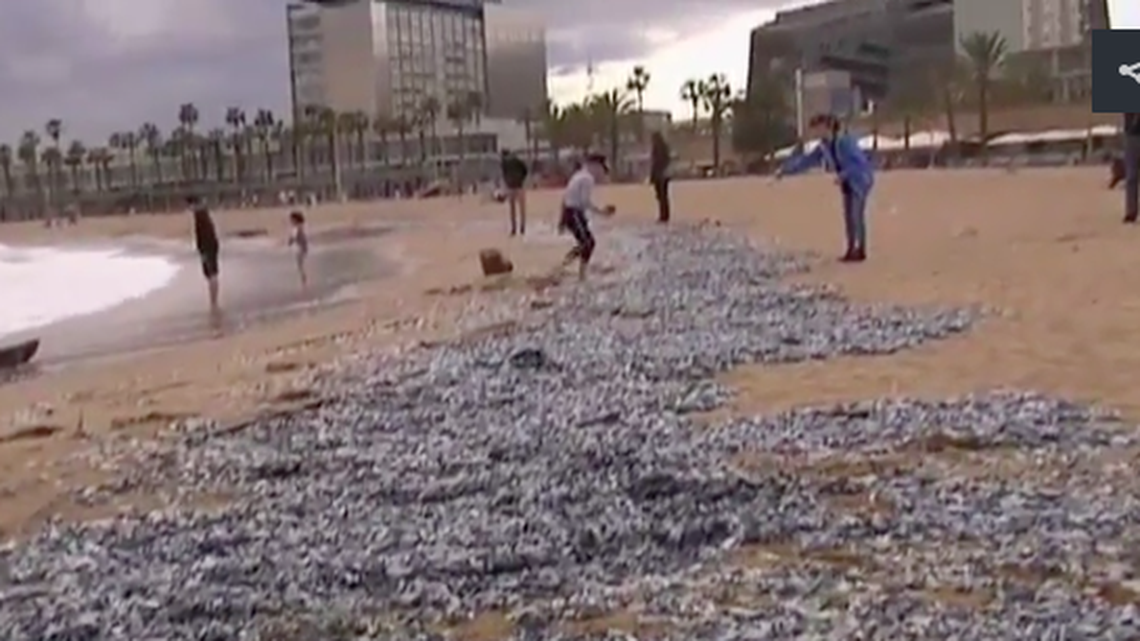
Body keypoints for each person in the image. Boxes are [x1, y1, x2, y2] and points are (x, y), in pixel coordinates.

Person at [774, 113, 875, 262]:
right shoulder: (824, 146)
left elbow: (860, 164)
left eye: (819, 128)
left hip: (860, 180)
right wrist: (785, 170)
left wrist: (844, 175)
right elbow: (806, 161)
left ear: (828, 127)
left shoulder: (845, 142)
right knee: (848, 216)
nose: (817, 132)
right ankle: (851, 249)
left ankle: (860, 250)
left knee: (856, 214)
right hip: (846, 181)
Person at [560, 153, 616, 280]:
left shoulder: (579, 175)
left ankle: (569, 264)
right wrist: (602, 212)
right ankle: (579, 273)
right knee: (588, 243)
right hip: (574, 213)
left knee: (586, 243)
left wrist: (562, 219)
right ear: (596, 166)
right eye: (602, 169)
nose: (602, 173)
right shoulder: (587, 179)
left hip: (571, 213)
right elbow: (584, 202)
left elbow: (566, 197)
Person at [188, 196, 221, 318]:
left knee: (212, 274)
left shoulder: (200, 216)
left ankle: (214, 302)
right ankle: (213, 301)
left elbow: (203, 236)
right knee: (212, 274)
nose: (190, 209)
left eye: (190, 206)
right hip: (211, 246)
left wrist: (203, 252)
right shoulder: (203, 214)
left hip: (208, 247)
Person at [500, 150, 529, 235]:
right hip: (519, 186)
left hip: (511, 187)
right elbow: (525, 170)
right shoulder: (517, 160)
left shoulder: (504, 163)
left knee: (512, 209)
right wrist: (521, 179)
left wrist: (507, 183)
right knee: (522, 208)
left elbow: (504, 175)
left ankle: (514, 228)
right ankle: (522, 227)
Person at [649, 131, 672, 223]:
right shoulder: (664, 147)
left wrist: (653, 175)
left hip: (660, 175)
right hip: (663, 175)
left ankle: (663, 215)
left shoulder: (657, 149)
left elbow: (656, 162)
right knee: (663, 196)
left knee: (661, 196)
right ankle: (665, 215)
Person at [1123, 112, 1139, 223]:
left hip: (1132, 133)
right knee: (1131, 176)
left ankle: (1131, 210)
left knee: (1131, 175)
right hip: (1132, 134)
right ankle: (1131, 211)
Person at [287, 210, 309, 290]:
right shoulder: (301, 226)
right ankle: (303, 280)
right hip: (303, 247)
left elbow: (293, 237)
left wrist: (289, 243)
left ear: (295, 220)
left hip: (300, 247)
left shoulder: (296, 228)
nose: (290, 221)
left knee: (300, 265)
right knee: (300, 264)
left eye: (291, 219)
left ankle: (304, 281)